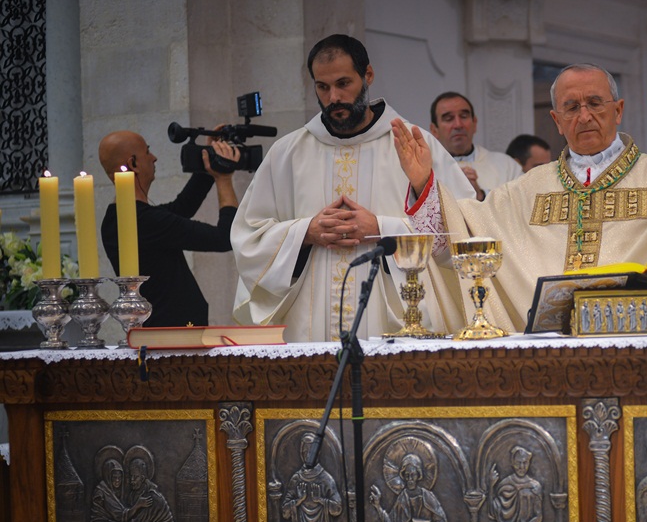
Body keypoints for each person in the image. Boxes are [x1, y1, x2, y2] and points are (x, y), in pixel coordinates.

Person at [391, 63, 647, 333]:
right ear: (557, 120)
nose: (584, 116)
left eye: (595, 103)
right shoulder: (526, 189)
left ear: (618, 110)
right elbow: (458, 244)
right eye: (571, 107)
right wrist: (424, 184)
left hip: (638, 341)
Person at [230, 34, 475, 342]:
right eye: (323, 86)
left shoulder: (414, 143)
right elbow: (247, 238)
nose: (334, 97)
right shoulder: (287, 153)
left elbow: (462, 233)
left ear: (367, 75)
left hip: (394, 327)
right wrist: (304, 232)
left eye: (344, 83)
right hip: (309, 331)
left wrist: (381, 229)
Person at [98, 130, 240, 328]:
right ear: (133, 164)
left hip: (164, 327)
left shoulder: (120, 217)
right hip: (172, 333)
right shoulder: (145, 221)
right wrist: (224, 179)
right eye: (147, 152)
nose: (154, 157)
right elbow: (225, 237)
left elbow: (182, 208)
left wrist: (209, 161)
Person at [430, 92, 522, 200]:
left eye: (464, 116)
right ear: (434, 130)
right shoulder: (426, 170)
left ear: (474, 123)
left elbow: (523, 204)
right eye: (449, 119)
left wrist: (481, 195)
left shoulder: (506, 166)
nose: (458, 125)